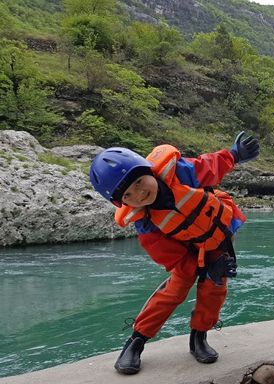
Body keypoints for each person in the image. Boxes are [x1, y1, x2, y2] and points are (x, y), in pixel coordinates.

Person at [89, 132, 259, 375]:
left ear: (148, 170)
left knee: (215, 286)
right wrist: (200, 268)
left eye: (138, 182)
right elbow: (171, 257)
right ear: (122, 202)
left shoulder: (178, 172)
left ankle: (199, 337)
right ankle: (136, 341)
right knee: (174, 290)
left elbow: (208, 166)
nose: (139, 194)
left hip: (218, 238)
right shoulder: (146, 224)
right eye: (128, 195)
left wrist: (234, 154)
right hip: (187, 251)